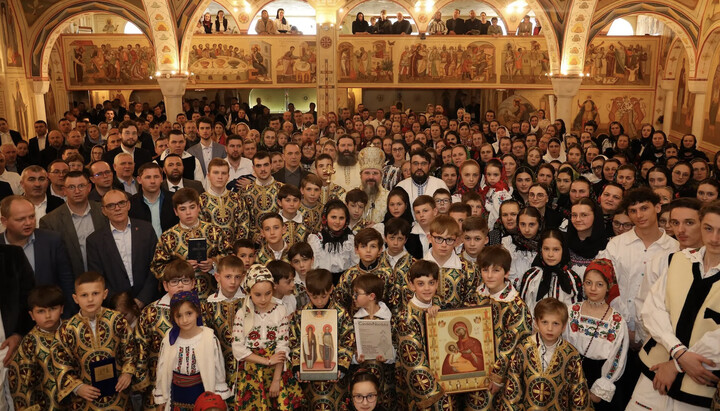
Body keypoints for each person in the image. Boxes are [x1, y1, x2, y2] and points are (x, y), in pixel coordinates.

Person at [628, 202, 720, 410]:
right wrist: (677, 352)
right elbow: (653, 310)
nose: (714, 238)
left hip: (700, 381)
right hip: (655, 368)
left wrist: (677, 364)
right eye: (709, 228)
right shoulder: (678, 260)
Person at [52, 271, 136, 409]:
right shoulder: (67, 329)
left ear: (104, 294)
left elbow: (130, 348)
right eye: (84, 295)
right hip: (86, 398)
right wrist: (77, 387)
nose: (90, 299)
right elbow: (60, 362)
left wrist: (127, 372)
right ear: (75, 298)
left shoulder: (117, 320)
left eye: (95, 293)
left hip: (118, 394)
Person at [465, 245, 533, 409]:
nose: (489, 275)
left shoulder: (515, 305)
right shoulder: (476, 294)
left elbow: (512, 345)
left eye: (495, 270)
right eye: (485, 270)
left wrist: (497, 376)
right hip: (476, 367)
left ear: (507, 272)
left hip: (504, 373)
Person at [498, 298, 591, 410]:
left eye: (555, 323)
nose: (550, 328)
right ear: (536, 323)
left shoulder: (571, 354)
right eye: (545, 322)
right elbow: (513, 388)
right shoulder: (524, 349)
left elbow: (578, 393)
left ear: (564, 326)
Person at [231, 265, 302, 409]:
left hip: (276, 372)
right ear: (249, 291)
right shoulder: (242, 314)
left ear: (273, 290)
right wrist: (267, 361)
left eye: (268, 293)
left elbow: (282, 346)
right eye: (257, 294)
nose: (263, 299)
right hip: (252, 373)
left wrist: (276, 380)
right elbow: (238, 349)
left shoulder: (280, 310)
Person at [564, 259, 629, 410]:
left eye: (599, 284)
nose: (593, 288)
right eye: (588, 283)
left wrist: (600, 389)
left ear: (608, 287)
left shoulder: (616, 321)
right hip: (571, 375)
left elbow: (617, 358)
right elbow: (562, 345)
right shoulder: (571, 311)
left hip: (599, 377)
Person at [153, 290, 230, 409]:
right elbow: (162, 370)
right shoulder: (169, 339)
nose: (184, 320)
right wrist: (162, 398)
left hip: (202, 399)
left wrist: (219, 398)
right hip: (176, 399)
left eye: (189, 313)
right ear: (173, 317)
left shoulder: (208, 338)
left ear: (197, 312)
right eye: (179, 316)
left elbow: (218, 370)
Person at [134, 259, 195, 409]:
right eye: (175, 281)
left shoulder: (201, 310)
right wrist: (144, 383)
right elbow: (140, 348)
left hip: (193, 383)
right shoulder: (151, 313)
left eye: (185, 280)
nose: (180, 286)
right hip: (159, 383)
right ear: (165, 285)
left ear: (193, 283)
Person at [290, 268, 355, 409]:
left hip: (335, 377)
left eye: (323, 296)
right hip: (309, 378)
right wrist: (297, 366)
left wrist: (342, 367)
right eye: (314, 297)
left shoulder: (341, 314)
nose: (319, 301)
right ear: (307, 291)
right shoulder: (301, 315)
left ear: (331, 289)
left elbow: (348, 341)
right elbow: (294, 341)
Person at [150, 188, 231, 299]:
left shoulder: (214, 231)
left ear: (198, 207)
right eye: (183, 209)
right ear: (176, 212)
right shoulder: (168, 237)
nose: (188, 213)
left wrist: (214, 263)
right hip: (181, 297)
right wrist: (181, 269)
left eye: (192, 207)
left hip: (213, 294)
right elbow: (157, 267)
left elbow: (230, 258)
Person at [0, 195, 75, 310]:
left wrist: (67, 316)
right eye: (21, 219)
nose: (28, 222)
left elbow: (67, 282)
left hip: (49, 317)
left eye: (31, 216)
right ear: (4, 221)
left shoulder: (52, 241)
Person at [86, 189, 158, 308]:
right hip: (115, 307)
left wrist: (142, 299)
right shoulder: (94, 241)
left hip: (149, 303)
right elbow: (98, 279)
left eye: (121, 203)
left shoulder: (146, 229)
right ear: (104, 210)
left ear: (128, 205)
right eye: (111, 205)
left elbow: (155, 266)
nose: (117, 208)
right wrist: (118, 303)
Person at [393, 260, 449, 409]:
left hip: (445, 377)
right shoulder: (406, 318)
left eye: (431, 283)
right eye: (421, 283)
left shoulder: (439, 304)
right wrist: (436, 391)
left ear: (437, 284)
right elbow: (413, 360)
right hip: (423, 386)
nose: (427, 289)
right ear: (412, 285)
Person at [39, 170, 107, 276]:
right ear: (64, 190)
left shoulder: (104, 212)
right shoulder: (50, 221)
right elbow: (50, 261)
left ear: (89, 188)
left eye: (81, 186)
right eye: (71, 187)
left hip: (105, 277)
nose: (77, 191)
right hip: (72, 281)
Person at [8, 285, 65, 410]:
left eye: (53, 309)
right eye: (41, 311)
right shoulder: (29, 343)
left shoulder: (74, 331)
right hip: (47, 404)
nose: (48, 315)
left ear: (62, 309)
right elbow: (22, 384)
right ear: (32, 315)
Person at [349, 273, 396, 409]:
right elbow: (348, 347)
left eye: (357, 293)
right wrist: (355, 358)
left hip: (384, 378)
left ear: (371, 296)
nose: (354, 296)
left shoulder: (389, 318)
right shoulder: (355, 318)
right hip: (362, 376)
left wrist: (387, 357)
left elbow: (398, 349)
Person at [203, 255, 246, 398]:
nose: (233, 282)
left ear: (243, 277)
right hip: (219, 364)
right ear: (217, 277)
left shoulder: (249, 302)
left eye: (237, 277)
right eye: (228, 276)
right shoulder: (209, 304)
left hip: (246, 365)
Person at [518, 229, 584, 315]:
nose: (550, 254)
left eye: (556, 249)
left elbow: (575, 313)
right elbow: (524, 312)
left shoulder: (572, 279)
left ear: (563, 250)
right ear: (540, 250)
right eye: (546, 249)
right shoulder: (531, 277)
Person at [335, 228, 395, 312]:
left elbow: (395, 304)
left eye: (373, 246)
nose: (368, 250)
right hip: (354, 322)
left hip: (382, 323)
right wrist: (349, 324)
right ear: (356, 249)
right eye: (363, 246)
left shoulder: (387, 274)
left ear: (380, 250)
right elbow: (338, 304)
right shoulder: (348, 275)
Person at [423, 215, 475, 308]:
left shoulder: (467, 269)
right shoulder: (418, 268)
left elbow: (472, 303)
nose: (444, 245)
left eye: (449, 240)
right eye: (439, 238)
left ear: (457, 241)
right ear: (429, 238)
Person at [199, 158, 250, 242]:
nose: (220, 177)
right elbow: (200, 229)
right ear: (208, 176)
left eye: (224, 173)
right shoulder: (201, 201)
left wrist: (237, 249)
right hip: (211, 252)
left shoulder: (237, 198)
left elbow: (244, 225)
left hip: (235, 251)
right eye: (216, 173)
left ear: (228, 177)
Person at [308, 199, 358, 282]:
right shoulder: (316, 239)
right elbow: (313, 267)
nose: (337, 222)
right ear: (325, 217)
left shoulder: (350, 238)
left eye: (341, 218)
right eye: (333, 217)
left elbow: (355, 265)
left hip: (345, 282)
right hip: (322, 283)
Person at [242, 151, 284, 241]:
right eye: (258, 166)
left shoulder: (282, 189)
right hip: (254, 245)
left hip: (279, 240)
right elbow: (243, 220)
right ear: (253, 168)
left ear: (271, 165)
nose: (263, 169)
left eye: (266, 165)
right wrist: (254, 236)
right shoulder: (245, 192)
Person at [129, 162, 178, 237]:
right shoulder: (131, 203)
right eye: (148, 177)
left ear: (161, 178)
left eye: (156, 177)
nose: (152, 181)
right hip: (143, 247)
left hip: (170, 245)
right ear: (139, 180)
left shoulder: (174, 199)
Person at [502, 206, 541, 285]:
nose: (526, 229)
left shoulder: (545, 246)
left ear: (539, 225)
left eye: (531, 224)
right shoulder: (508, 243)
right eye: (523, 224)